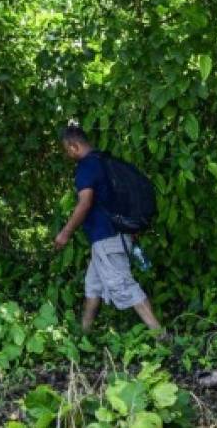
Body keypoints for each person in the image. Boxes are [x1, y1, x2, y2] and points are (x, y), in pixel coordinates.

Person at [54, 126, 162, 334]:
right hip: (114, 236)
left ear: (73, 146)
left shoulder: (86, 167)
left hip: (107, 238)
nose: (67, 155)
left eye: (66, 150)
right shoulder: (104, 162)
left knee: (123, 286)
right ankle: (84, 335)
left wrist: (65, 233)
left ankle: (162, 336)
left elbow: (84, 203)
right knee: (93, 287)